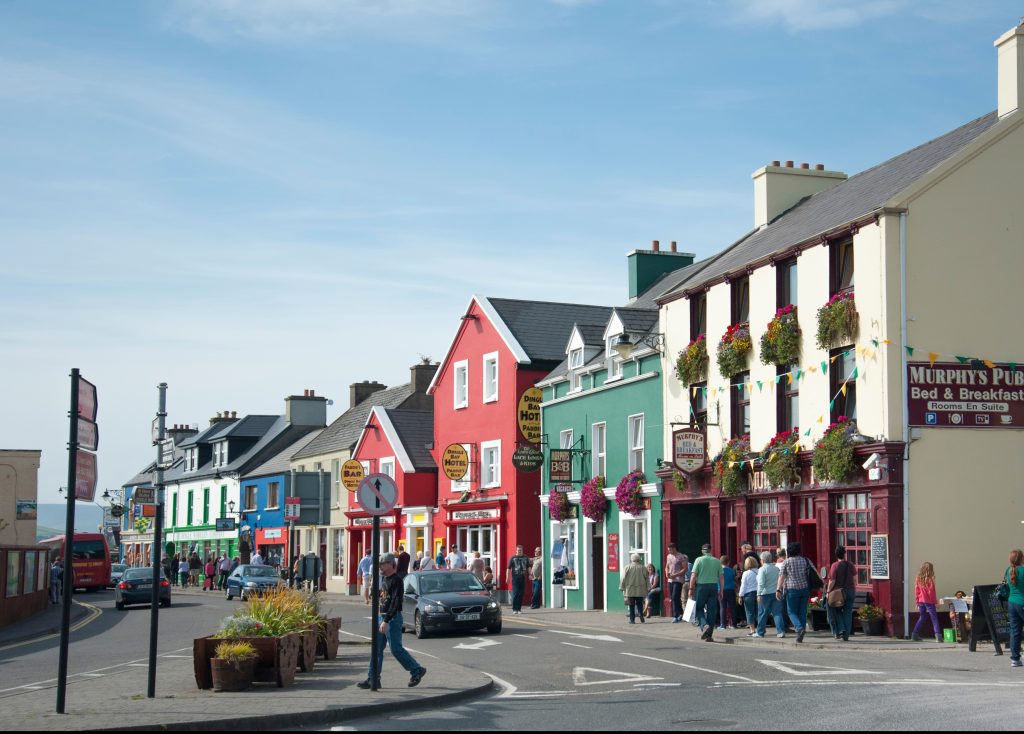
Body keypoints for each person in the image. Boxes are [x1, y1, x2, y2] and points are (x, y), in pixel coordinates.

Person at [357, 553, 427, 690]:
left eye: (382, 564)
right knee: (376, 649)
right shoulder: (384, 579)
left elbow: (396, 602)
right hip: (382, 617)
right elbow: (383, 598)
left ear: (390, 564)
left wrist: (387, 620)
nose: (380, 567)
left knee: (396, 649)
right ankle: (373, 679)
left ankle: (417, 670)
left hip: (392, 619)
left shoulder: (397, 581)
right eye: (379, 564)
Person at [777, 542, 811, 643]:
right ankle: (801, 631)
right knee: (802, 612)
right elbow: (814, 572)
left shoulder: (786, 562)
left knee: (791, 612)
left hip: (792, 589)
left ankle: (799, 629)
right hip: (804, 589)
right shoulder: (805, 560)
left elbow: (782, 576)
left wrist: (778, 589)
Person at [689, 543, 723, 642]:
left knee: (698, 608)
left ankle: (704, 625)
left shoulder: (699, 560)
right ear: (710, 550)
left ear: (702, 551)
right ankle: (709, 635)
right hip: (713, 587)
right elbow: (721, 577)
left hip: (701, 587)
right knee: (712, 611)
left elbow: (693, 576)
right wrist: (721, 590)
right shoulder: (717, 561)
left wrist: (691, 588)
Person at [828, 546, 857, 642]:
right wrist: (853, 588)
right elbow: (854, 579)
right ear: (844, 554)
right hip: (850, 590)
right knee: (848, 613)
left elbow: (832, 581)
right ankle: (846, 636)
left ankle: (842, 629)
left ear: (836, 555)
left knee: (837, 610)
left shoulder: (834, 565)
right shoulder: (850, 564)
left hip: (839, 592)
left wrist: (828, 591)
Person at [756, 550, 783, 638]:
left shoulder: (762, 569)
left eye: (760, 559)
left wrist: (759, 594)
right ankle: (780, 631)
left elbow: (761, 583)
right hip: (776, 593)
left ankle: (760, 632)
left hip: (765, 594)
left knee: (762, 614)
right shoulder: (776, 568)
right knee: (777, 613)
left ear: (763, 560)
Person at [1005, 549, 1024, 668]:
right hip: (1022, 602)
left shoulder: (1008, 570)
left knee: (1015, 631)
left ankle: (1015, 659)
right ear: (1022, 558)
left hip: (1012, 603)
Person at [619, 554, 648, 624]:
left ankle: (632, 620)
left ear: (631, 559)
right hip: (640, 589)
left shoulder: (627, 567)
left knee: (631, 605)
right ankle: (640, 614)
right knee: (639, 604)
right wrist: (648, 587)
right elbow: (646, 578)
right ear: (638, 559)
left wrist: (621, 586)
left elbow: (623, 578)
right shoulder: (642, 567)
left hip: (630, 589)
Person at [665, 543, 688, 623]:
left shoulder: (681, 557)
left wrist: (675, 575)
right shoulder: (669, 556)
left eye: (670, 550)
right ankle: (680, 613)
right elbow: (667, 566)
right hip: (670, 580)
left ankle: (675, 616)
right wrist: (666, 573)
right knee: (673, 597)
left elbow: (685, 568)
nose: (669, 551)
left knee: (675, 596)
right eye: (668, 550)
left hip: (678, 579)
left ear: (674, 548)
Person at [507, 545, 531, 615]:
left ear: (522, 550)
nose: (519, 551)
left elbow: (528, 567)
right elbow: (508, 568)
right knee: (516, 594)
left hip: (522, 578)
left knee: (521, 594)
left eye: (520, 550)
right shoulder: (513, 558)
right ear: (516, 551)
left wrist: (530, 574)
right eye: (518, 550)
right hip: (515, 578)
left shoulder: (525, 557)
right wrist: (507, 577)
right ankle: (514, 609)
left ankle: (519, 609)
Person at [739, 557, 759, 636]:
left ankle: (752, 630)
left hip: (748, 594)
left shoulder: (746, 573)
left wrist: (740, 596)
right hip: (758, 593)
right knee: (758, 612)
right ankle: (760, 629)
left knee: (749, 612)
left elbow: (743, 586)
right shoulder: (759, 571)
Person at [719, 555, 736, 629]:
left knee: (722, 607)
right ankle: (734, 624)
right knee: (732, 607)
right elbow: (733, 579)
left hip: (721, 590)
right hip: (731, 590)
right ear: (728, 562)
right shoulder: (731, 570)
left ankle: (723, 625)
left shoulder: (719, 571)